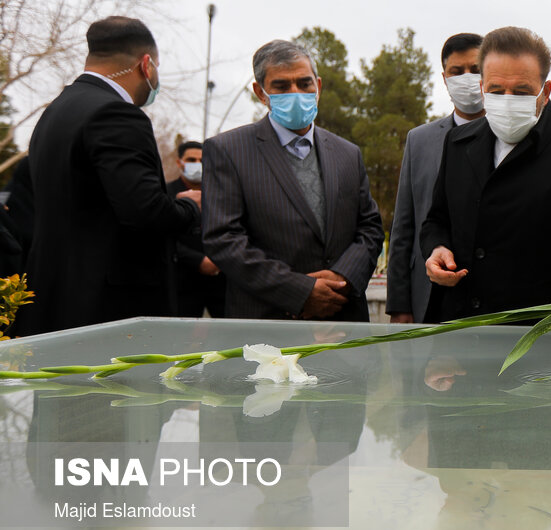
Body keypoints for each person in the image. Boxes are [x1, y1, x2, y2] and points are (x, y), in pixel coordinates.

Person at [420, 26, 551, 331]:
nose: (506, 100)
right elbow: (437, 219)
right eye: (496, 90)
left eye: (521, 92)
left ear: (546, 91)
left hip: (535, 337)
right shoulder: (458, 143)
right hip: (457, 329)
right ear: (482, 88)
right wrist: (437, 248)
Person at [17, 16, 201, 335]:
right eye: (157, 66)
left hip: (55, 301)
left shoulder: (56, 110)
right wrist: (191, 207)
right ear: (146, 65)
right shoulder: (117, 113)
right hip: (107, 313)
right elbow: (144, 212)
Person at [202, 40, 383, 321]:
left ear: (318, 87)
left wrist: (342, 278)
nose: (296, 93)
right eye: (282, 86)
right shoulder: (228, 150)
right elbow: (224, 239)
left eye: (304, 83)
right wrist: (300, 291)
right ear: (261, 93)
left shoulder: (347, 153)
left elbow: (369, 227)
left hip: (343, 319)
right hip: (269, 324)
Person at [387, 33, 485, 324]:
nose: (467, 78)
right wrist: (399, 304)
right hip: (429, 296)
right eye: (457, 71)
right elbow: (404, 227)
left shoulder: (512, 138)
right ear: (445, 78)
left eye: (475, 69)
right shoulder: (420, 140)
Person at [165, 141, 225, 318]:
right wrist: (198, 260)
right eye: (191, 159)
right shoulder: (167, 193)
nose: (197, 164)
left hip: (221, 279)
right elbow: (165, 236)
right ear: (179, 162)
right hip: (183, 281)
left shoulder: (221, 192)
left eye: (201, 160)